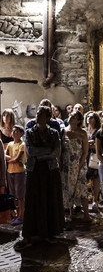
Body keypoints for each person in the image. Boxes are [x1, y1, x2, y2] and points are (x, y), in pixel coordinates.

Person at [14, 106, 65, 251]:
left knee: (49, 199)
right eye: (37, 114)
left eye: (41, 114)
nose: (38, 116)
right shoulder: (29, 132)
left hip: (50, 170)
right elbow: (31, 151)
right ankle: (33, 232)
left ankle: (49, 231)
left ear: (47, 117)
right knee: (34, 199)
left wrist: (41, 154)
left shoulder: (54, 133)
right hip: (35, 170)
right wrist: (46, 151)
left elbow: (56, 152)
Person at [61, 111, 91, 222]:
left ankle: (87, 215)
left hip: (79, 164)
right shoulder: (63, 131)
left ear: (78, 121)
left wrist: (79, 165)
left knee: (81, 189)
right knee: (68, 188)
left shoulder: (83, 133)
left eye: (74, 117)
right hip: (67, 164)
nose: (71, 117)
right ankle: (70, 213)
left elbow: (85, 151)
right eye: (71, 115)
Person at [5, 125, 26, 226]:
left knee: (20, 195)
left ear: (21, 133)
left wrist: (11, 159)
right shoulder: (9, 144)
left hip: (19, 172)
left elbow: (17, 159)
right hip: (10, 171)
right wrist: (12, 159)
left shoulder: (22, 144)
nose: (14, 133)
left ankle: (21, 215)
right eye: (13, 131)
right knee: (13, 195)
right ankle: (16, 214)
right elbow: (5, 156)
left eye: (16, 131)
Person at [84, 111, 101, 211]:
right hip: (86, 157)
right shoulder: (84, 130)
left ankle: (95, 201)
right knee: (84, 179)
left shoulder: (98, 131)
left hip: (95, 157)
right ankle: (84, 200)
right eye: (88, 117)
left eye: (92, 117)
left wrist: (92, 144)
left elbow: (99, 145)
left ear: (95, 120)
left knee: (96, 180)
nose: (89, 119)